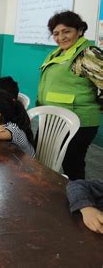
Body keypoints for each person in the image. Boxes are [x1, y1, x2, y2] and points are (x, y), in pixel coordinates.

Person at [38, 11, 102, 180]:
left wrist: (96, 106)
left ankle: (80, 203)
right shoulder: (59, 52)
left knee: (72, 165)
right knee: (44, 160)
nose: (61, 37)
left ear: (79, 30)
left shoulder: (87, 53)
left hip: (79, 121)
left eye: (67, 31)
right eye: (56, 33)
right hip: (55, 119)